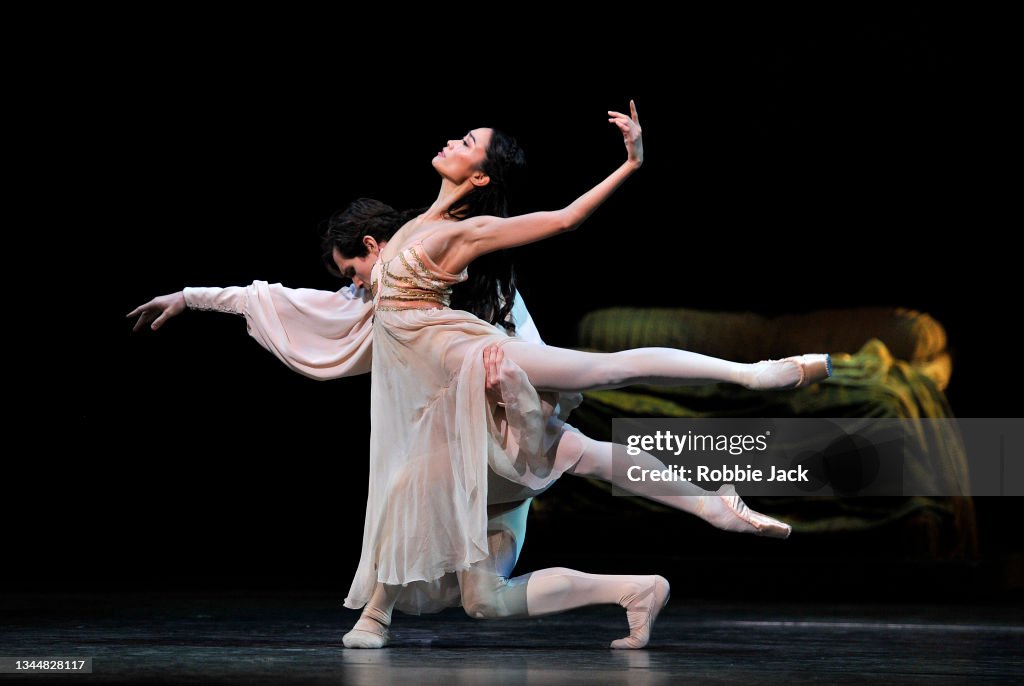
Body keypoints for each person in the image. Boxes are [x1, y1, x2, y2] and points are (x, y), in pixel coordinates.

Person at [129, 101, 830, 649]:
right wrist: (194, 297)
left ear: (481, 176)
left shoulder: (462, 235)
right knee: (484, 595)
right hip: (459, 405)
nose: (453, 142)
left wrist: (632, 164)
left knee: (602, 375)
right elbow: (293, 300)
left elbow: (559, 222)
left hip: (477, 365)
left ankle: (758, 378)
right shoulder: (404, 237)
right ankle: (648, 575)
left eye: (467, 142)